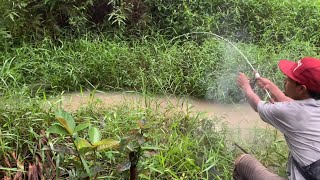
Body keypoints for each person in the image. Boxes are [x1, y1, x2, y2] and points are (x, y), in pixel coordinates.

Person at [234, 57, 320, 180]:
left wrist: (245, 86)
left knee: (243, 163)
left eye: (290, 79)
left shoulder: (286, 111)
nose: (285, 80)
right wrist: (270, 86)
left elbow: (256, 104)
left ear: (301, 89)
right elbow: (298, 108)